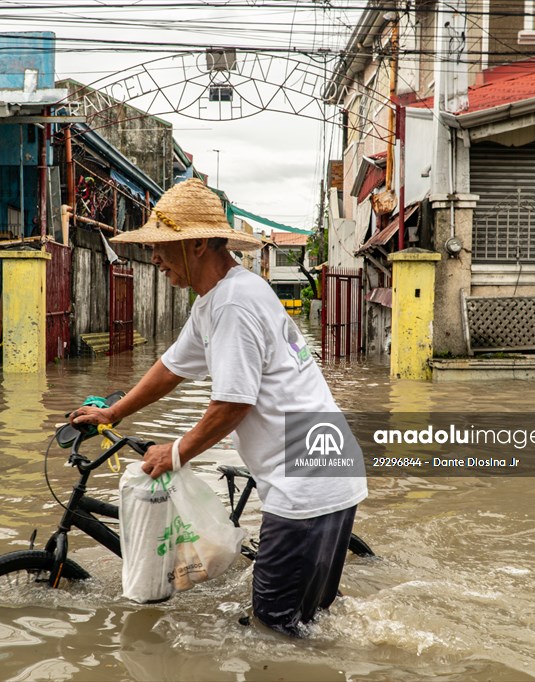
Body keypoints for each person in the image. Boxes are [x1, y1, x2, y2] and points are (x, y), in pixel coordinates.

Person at [70, 178, 368, 635]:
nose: (155, 258)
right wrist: (115, 412)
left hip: (305, 488)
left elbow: (232, 403)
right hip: (328, 471)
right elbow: (170, 368)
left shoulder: (232, 304)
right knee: (310, 622)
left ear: (201, 244)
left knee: (274, 629)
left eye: (165, 246)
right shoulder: (224, 296)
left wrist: (174, 453)